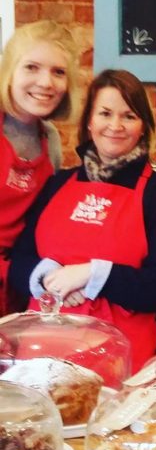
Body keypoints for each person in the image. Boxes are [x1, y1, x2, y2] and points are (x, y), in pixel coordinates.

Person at [9, 69, 156, 371]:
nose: (115, 126)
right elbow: (19, 262)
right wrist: (50, 277)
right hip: (41, 360)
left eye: (129, 116)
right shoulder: (57, 184)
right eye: (105, 113)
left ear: (143, 126)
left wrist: (92, 275)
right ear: (89, 121)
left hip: (117, 363)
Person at [0, 20, 79, 316]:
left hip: (16, 286)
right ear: (9, 72)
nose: (46, 83)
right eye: (31, 67)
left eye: (58, 72)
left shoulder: (51, 139)